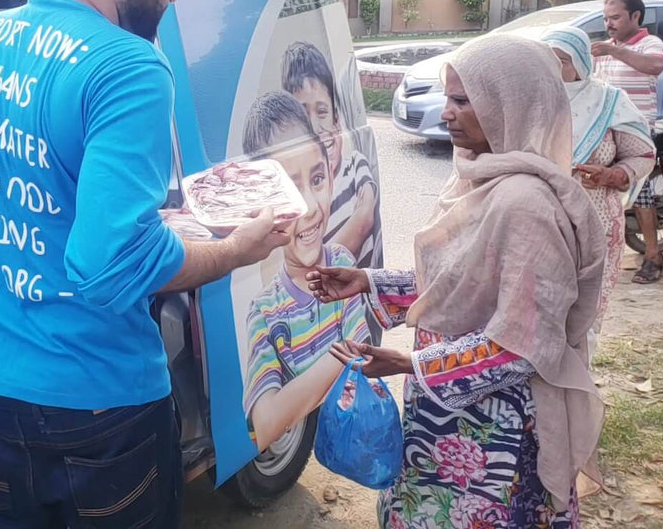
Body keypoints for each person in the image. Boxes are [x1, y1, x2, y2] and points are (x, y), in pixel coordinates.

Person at [0, 0, 289, 529]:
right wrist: (237, 247)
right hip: (93, 401)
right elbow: (110, 264)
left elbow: (18, 190)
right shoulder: (127, 64)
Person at [309, 34, 605, 529]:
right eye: (448, 98)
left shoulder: (525, 205)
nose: (446, 113)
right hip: (446, 413)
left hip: (494, 431)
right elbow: (456, 284)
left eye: (463, 101)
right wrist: (366, 280)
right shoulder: (476, 180)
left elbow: (525, 347)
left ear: (510, 104)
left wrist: (410, 363)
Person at [240, 92, 369, 449]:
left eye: (316, 180)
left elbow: (363, 357)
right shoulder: (265, 312)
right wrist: (342, 352)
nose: (311, 208)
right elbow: (265, 426)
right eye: (288, 192)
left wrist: (295, 395)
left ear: (330, 173)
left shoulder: (342, 263)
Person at [542, 26, 654, 352]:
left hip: (596, 222)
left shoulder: (608, 101)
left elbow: (642, 155)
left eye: (561, 60)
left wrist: (612, 175)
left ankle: (578, 381)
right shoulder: (534, 101)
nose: (554, 68)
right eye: (547, 60)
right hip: (541, 221)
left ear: (580, 62)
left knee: (583, 313)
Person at [281, 41, 381, 268]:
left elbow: (364, 220)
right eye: (302, 114)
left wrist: (316, 269)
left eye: (322, 111)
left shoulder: (355, 165)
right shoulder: (291, 186)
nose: (315, 126)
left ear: (336, 120)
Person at [592, 0, 663, 283]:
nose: (609, 24)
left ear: (635, 16)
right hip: (607, 132)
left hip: (637, 132)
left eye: (615, 17)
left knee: (641, 194)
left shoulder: (649, 43)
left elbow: (655, 66)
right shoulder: (606, 49)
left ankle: (652, 256)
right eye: (606, 18)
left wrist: (614, 51)